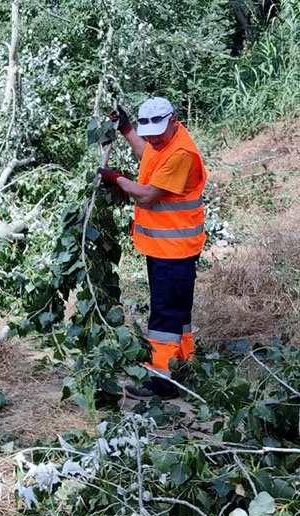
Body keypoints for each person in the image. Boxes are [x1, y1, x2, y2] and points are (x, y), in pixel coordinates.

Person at [98, 97, 207, 399]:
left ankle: (161, 381)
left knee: (164, 316)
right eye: (149, 133)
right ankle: (183, 366)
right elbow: (148, 155)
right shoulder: (165, 145)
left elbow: (147, 195)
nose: (154, 139)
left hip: (174, 249)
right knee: (177, 312)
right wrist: (127, 129)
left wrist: (116, 179)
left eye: (158, 132)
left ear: (174, 121)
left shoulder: (181, 154)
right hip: (168, 247)